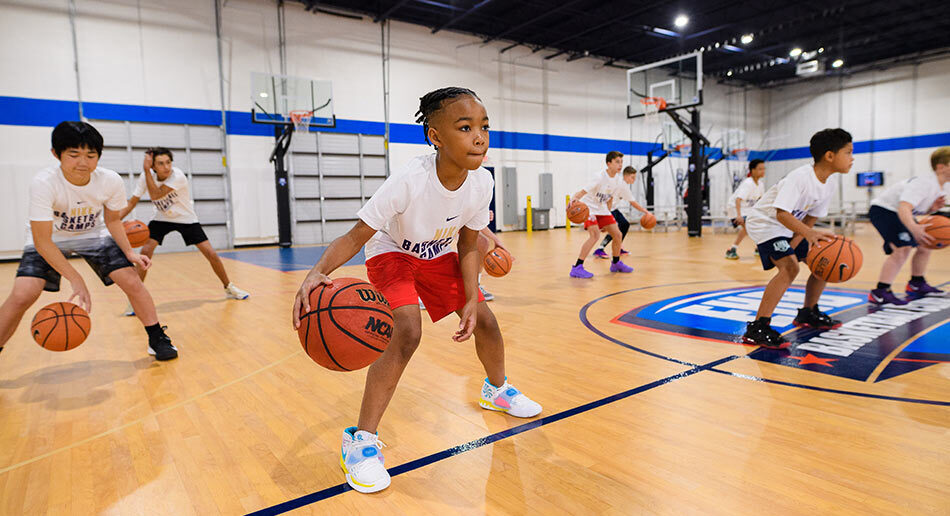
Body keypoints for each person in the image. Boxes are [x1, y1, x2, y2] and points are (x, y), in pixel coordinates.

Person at [291, 87, 541, 494]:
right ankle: (361, 440)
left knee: (488, 323)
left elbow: (466, 244)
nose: (479, 136)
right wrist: (316, 272)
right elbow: (357, 236)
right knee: (406, 330)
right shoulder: (409, 179)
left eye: (484, 126)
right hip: (392, 252)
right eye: (465, 127)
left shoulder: (481, 184)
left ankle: (497, 390)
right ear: (435, 136)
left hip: (440, 252)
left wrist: (472, 299)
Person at [0, 122, 177, 360]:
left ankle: (157, 338)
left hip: (93, 234)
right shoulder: (44, 183)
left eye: (91, 155)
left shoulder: (110, 180)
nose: (83, 162)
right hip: (50, 238)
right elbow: (42, 241)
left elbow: (113, 220)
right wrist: (76, 278)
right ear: (56, 154)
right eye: (74, 154)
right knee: (24, 293)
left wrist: (130, 252)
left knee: (132, 281)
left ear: (98, 156)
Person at [741, 128, 853, 349]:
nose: (852, 158)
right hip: (765, 222)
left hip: (787, 227)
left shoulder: (828, 182)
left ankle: (808, 312)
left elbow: (810, 218)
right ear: (830, 156)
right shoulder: (800, 177)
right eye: (848, 152)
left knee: (825, 257)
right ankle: (758, 327)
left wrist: (800, 243)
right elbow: (781, 213)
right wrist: (805, 237)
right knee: (790, 268)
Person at [119, 148, 249, 315]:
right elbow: (132, 202)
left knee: (211, 254)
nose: (166, 167)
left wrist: (146, 170)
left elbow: (157, 195)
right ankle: (135, 299)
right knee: (145, 251)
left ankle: (228, 287)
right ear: (153, 166)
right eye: (160, 163)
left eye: (168, 162)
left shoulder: (177, 176)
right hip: (162, 218)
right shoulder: (146, 177)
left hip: (185, 218)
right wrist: (114, 221)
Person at [867, 147, 950, 304]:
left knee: (925, 243)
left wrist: (932, 208)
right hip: (883, 210)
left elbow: (913, 209)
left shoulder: (938, 186)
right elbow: (903, 208)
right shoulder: (925, 183)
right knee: (902, 249)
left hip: (897, 212)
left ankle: (916, 283)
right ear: (941, 167)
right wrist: (914, 228)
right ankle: (880, 291)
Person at [569, 155, 645, 278]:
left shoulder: (618, 181)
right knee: (595, 236)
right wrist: (574, 200)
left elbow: (609, 200)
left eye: (621, 162)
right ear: (609, 164)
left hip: (602, 209)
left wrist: (607, 219)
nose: (620, 165)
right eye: (617, 162)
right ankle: (577, 267)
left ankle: (615, 263)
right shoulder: (599, 177)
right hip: (589, 209)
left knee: (618, 234)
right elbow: (582, 192)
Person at [725, 159, 766, 259]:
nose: (763, 171)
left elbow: (760, 201)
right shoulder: (748, 183)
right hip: (735, 208)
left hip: (747, 210)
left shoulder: (761, 185)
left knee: (754, 227)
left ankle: (757, 248)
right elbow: (738, 200)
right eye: (760, 169)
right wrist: (739, 216)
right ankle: (732, 249)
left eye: (764, 169)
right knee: (748, 227)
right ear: (752, 170)